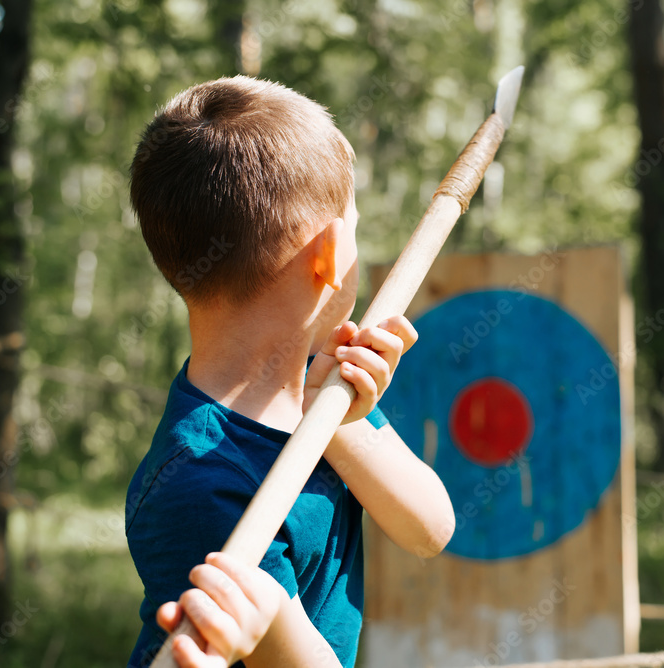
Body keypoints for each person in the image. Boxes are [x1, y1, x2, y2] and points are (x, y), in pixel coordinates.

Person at [124, 75, 455, 668]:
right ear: (328, 253)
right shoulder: (198, 486)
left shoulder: (320, 384)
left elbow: (429, 528)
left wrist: (340, 424)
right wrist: (268, 618)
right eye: (355, 225)